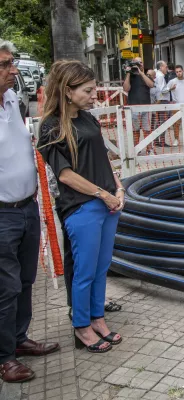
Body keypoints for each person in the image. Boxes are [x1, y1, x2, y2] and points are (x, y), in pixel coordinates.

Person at [38, 60, 124, 353]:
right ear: (67, 90)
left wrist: (118, 186)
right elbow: (65, 175)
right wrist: (103, 194)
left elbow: (102, 157)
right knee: (84, 271)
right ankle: (82, 326)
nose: (94, 95)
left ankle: (97, 318)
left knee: (101, 268)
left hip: (108, 202)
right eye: (87, 90)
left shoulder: (88, 118)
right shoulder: (51, 127)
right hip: (82, 206)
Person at [0, 39, 59, 384]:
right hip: (3, 214)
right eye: (5, 65)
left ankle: (19, 340)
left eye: (11, 63)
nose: (13, 70)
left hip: (26, 208)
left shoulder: (11, 99)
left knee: (23, 281)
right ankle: (4, 357)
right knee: (5, 287)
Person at [122, 57, 154, 150]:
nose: (139, 64)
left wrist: (141, 73)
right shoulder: (130, 77)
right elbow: (126, 88)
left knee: (147, 130)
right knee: (135, 130)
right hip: (134, 107)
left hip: (146, 107)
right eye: (136, 62)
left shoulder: (146, 76)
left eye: (140, 62)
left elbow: (151, 85)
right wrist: (128, 73)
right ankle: (136, 150)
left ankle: (149, 149)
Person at [167, 65, 184, 144]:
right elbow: (164, 91)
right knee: (176, 123)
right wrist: (171, 89)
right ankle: (176, 139)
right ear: (175, 73)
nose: (179, 73)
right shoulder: (172, 81)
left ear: (183, 71)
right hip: (176, 104)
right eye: (177, 72)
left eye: (180, 71)